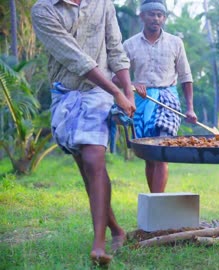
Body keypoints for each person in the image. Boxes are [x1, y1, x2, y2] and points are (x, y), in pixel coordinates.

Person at [31, 0, 136, 265]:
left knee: (93, 159)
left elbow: (115, 48)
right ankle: (117, 230)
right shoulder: (44, 10)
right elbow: (74, 57)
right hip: (66, 94)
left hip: (97, 94)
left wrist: (128, 91)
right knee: (86, 166)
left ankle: (99, 245)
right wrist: (117, 92)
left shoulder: (103, 3)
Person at [113, 0, 198, 193]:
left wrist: (190, 108)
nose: (156, 19)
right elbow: (115, 77)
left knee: (162, 151)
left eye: (160, 15)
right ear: (142, 16)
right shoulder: (130, 45)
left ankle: (157, 200)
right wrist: (133, 85)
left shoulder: (176, 43)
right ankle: (154, 200)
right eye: (151, 14)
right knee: (150, 155)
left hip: (168, 100)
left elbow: (186, 77)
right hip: (142, 103)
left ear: (164, 18)